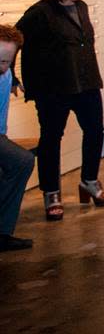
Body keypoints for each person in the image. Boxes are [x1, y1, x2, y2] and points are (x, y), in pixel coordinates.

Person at [17, 0, 104, 221]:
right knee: (51, 138)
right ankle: (51, 193)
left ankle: (89, 181)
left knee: (95, 130)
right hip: (54, 88)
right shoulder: (40, 12)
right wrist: (10, 76)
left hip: (87, 82)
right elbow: (13, 39)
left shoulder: (80, 7)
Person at [0, 25, 35, 251]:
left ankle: (2, 232)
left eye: (6, 61)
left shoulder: (6, 76)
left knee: (21, 161)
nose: (1, 66)